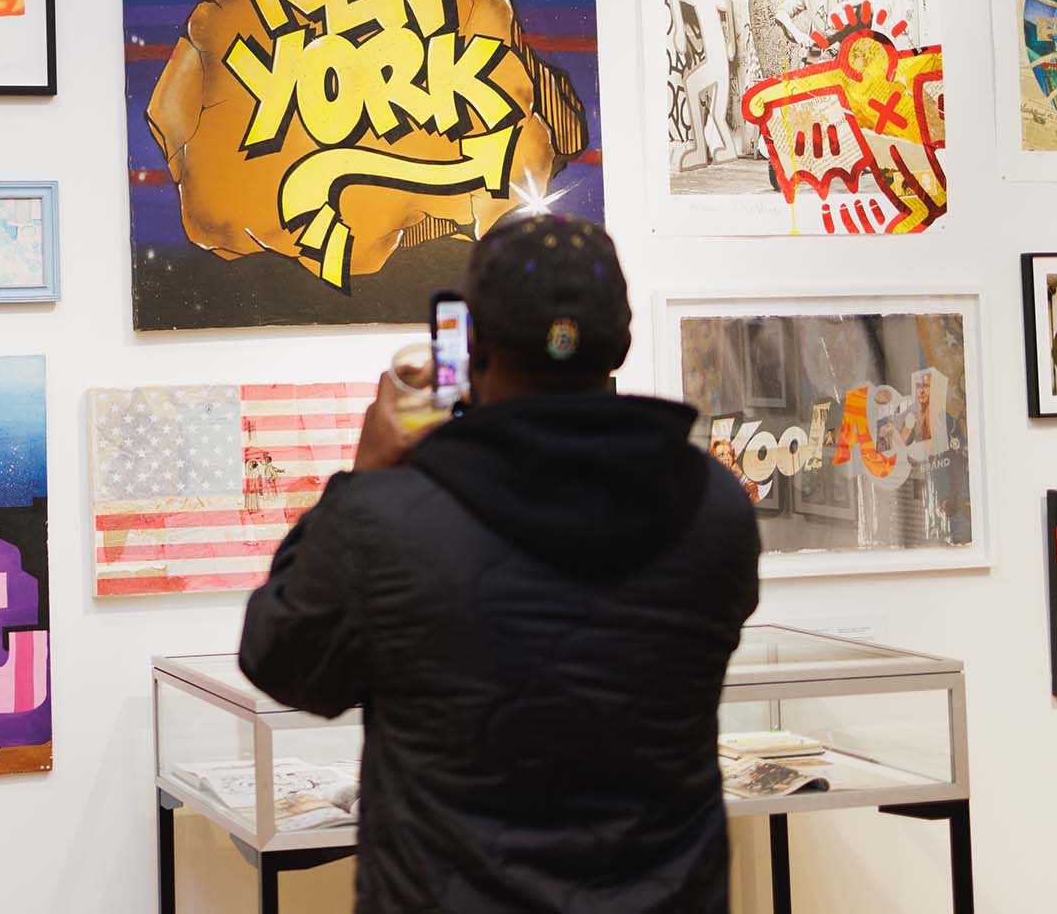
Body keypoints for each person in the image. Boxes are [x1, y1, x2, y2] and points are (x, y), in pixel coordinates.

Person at [239, 212, 761, 913]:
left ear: (470, 348)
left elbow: (284, 659)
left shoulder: (387, 516)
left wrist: (362, 476)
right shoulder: (716, 506)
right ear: (618, 345)